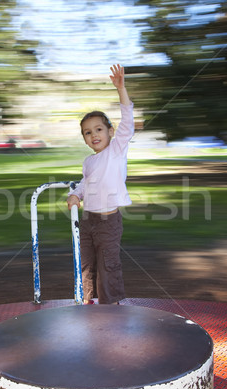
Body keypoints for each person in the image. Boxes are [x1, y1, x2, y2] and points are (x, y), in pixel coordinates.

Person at [67, 64, 134, 305]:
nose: (93, 135)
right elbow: (85, 183)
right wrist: (75, 195)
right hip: (88, 221)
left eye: (98, 129)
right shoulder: (89, 161)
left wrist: (121, 89)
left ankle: (111, 304)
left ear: (110, 131)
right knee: (86, 264)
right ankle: (87, 302)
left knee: (108, 264)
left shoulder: (116, 150)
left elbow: (127, 123)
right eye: (87, 132)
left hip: (108, 222)